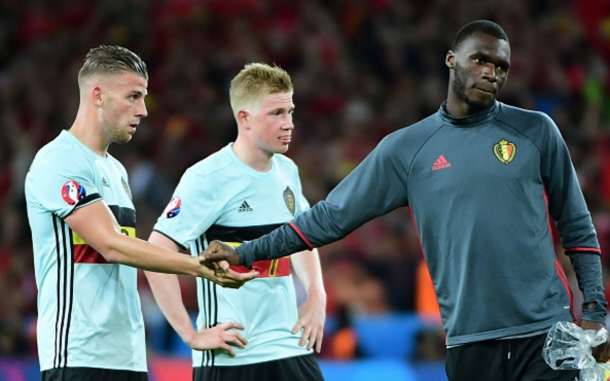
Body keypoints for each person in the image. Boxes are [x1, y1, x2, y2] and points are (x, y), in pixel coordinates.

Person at [203, 20, 610, 381]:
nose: (491, 73)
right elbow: (328, 218)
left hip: (544, 335)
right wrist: (245, 253)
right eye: (480, 60)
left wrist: (595, 311)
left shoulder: (536, 131)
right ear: (452, 59)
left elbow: (576, 225)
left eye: (501, 66)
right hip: (469, 344)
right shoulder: (407, 150)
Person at [24, 45, 257, 381]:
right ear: (98, 95)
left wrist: (190, 335)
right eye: (133, 96)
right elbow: (112, 245)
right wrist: (197, 267)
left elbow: (134, 257)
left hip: (128, 359)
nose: (144, 110)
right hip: (77, 359)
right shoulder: (59, 161)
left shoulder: (117, 171)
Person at [146, 62, 326, 381]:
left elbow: (302, 237)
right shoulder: (207, 178)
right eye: (277, 114)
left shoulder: (287, 171)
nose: (289, 124)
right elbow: (155, 251)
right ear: (244, 118)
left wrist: (316, 295)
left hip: (289, 345)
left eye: (290, 112)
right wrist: (191, 335)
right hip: (232, 355)